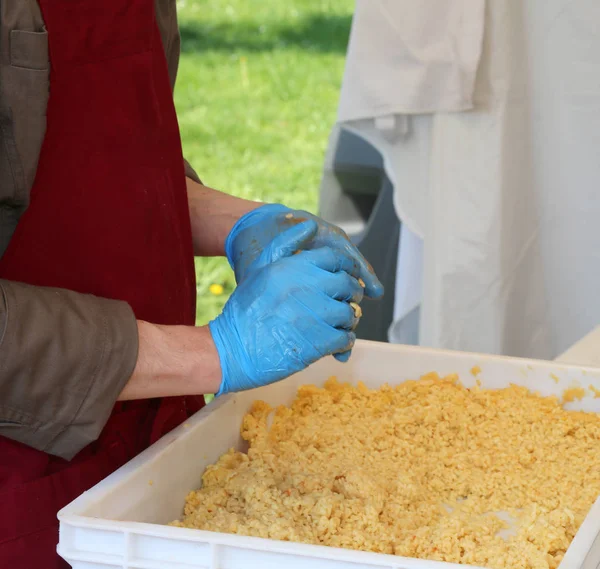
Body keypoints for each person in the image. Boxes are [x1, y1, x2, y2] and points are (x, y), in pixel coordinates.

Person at [0, 1, 383, 567]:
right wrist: (213, 351)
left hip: (156, 443)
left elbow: (97, 161)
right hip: (24, 487)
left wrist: (243, 223)